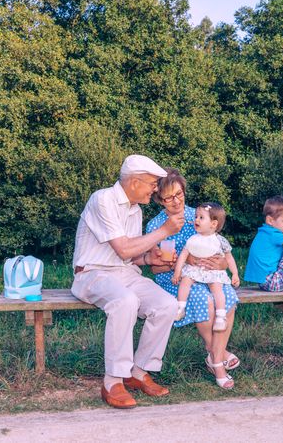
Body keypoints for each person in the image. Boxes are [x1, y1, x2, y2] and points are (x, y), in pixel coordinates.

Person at [71, 154, 185, 409]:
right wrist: (165, 230)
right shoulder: (103, 199)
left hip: (124, 274)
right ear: (134, 182)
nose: (155, 189)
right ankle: (113, 380)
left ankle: (138, 370)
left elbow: (131, 256)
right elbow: (123, 249)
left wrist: (149, 258)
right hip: (91, 273)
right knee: (125, 301)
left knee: (167, 304)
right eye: (152, 184)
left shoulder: (135, 210)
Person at [146, 169, 239, 390]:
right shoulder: (154, 226)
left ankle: (214, 355)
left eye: (179, 194)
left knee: (228, 296)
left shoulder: (199, 216)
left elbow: (223, 254)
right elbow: (154, 269)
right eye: (169, 197)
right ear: (160, 199)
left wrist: (223, 265)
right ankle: (217, 360)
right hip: (176, 279)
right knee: (205, 300)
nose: (176, 201)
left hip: (210, 276)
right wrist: (170, 264)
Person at [171, 202, 240, 334]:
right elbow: (183, 256)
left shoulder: (220, 240)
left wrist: (235, 274)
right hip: (195, 269)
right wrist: (178, 272)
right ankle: (180, 307)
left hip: (213, 271)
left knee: (217, 288)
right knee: (185, 281)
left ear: (213, 224)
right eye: (196, 216)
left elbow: (229, 258)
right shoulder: (192, 239)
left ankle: (220, 316)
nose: (196, 219)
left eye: (201, 217)